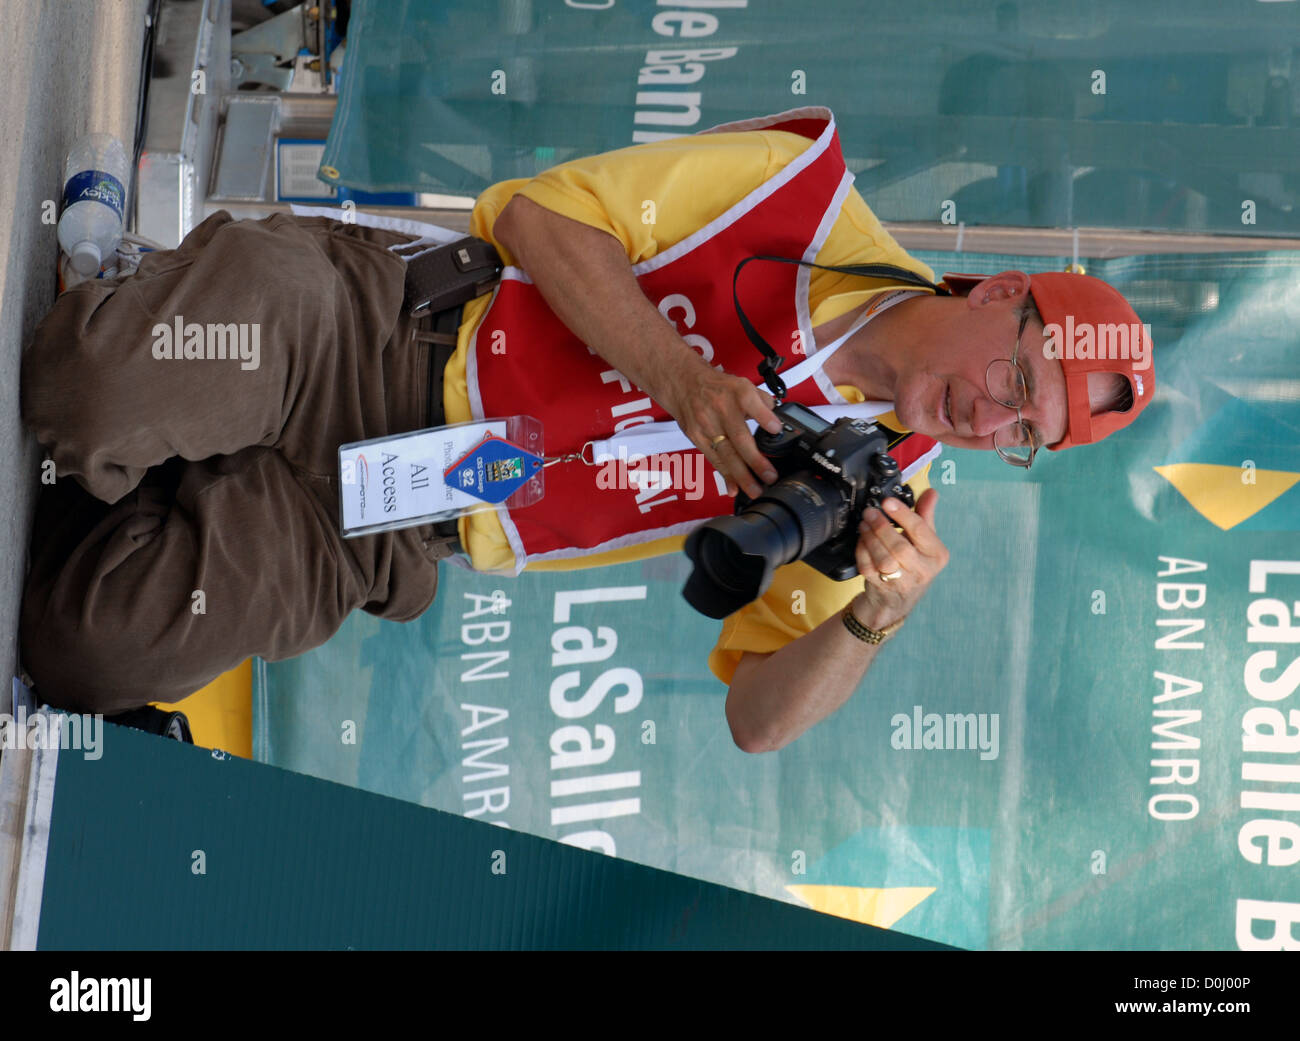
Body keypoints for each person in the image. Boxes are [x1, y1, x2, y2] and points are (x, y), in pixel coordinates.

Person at [19, 107, 1154, 752]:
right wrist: (680, 375)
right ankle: (148, 366)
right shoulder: (797, 198)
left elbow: (755, 721)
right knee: (78, 391)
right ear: (1002, 291)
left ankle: (167, 452)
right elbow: (531, 212)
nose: (991, 415)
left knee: (84, 653)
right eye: (1017, 374)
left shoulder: (879, 504)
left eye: (1024, 432)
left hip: (401, 518)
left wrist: (870, 625)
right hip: (374, 335)